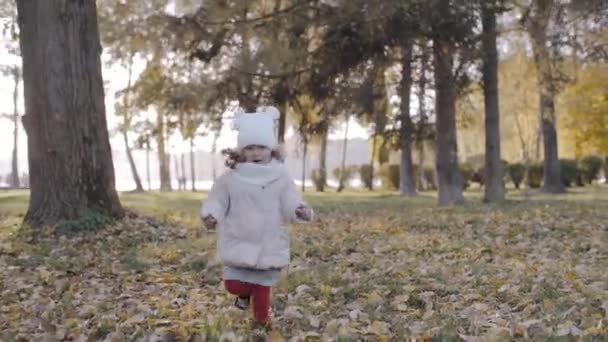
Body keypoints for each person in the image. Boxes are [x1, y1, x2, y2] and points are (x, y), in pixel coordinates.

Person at [200, 106, 314, 325]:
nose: (256, 153)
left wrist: (299, 209)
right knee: (233, 284)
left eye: (261, 147)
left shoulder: (280, 176)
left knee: (263, 291)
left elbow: (290, 199)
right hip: (239, 238)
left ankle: (261, 325)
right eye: (250, 148)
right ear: (241, 150)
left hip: (267, 242)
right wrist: (211, 214)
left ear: (271, 148)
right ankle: (244, 293)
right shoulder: (230, 178)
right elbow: (217, 199)